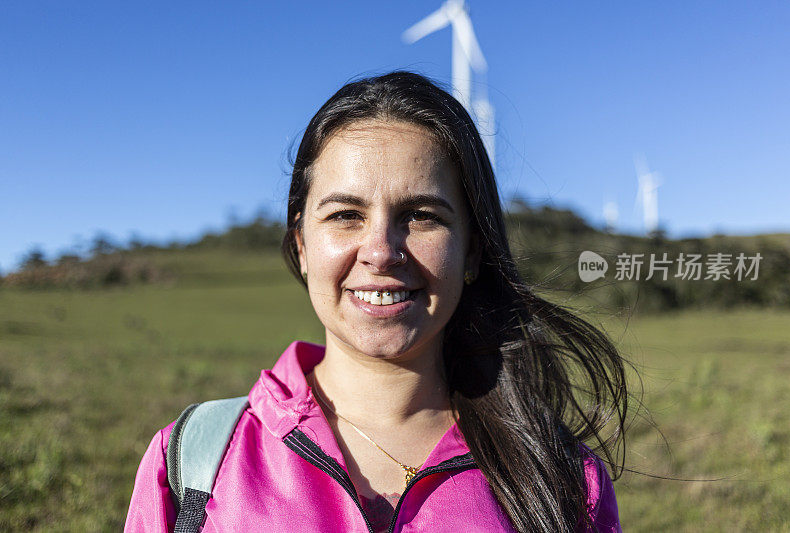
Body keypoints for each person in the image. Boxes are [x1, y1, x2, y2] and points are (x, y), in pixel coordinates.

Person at [125, 71, 626, 532]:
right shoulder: (191, 462)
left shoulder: (566, 480)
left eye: (422, 215)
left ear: (472, 249)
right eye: (346, 214)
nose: (382, 251)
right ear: (301, 245)